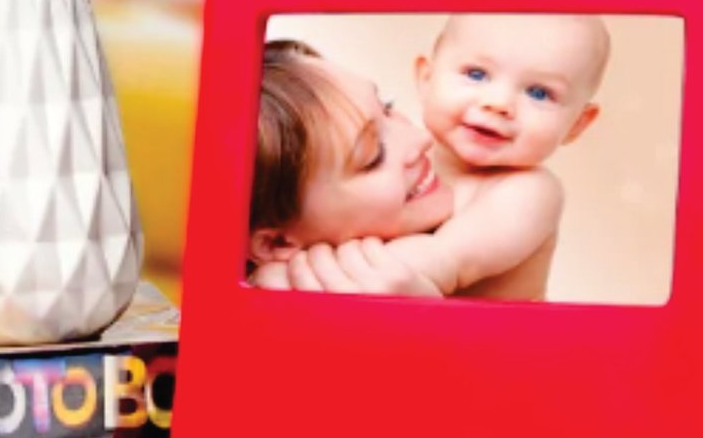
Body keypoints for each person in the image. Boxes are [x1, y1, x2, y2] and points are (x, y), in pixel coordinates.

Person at [250, 16, 608, 299]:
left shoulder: (527, 192)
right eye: (477, 74)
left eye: (539, 93)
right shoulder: (395, 184)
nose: (498, 103)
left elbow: (442, 261)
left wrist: (297, 276)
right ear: (426, 77)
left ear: (578, 124)